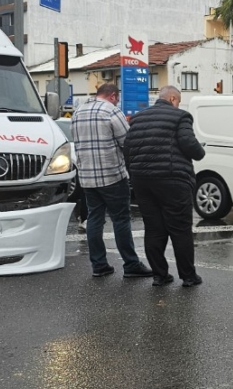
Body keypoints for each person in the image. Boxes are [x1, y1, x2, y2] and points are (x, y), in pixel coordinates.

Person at [124, 86, 206, 287]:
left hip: (142, 181)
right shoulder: (180, 116)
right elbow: (189, 144)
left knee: (153, 228)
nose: (178, 105)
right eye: (178, 101)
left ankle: (160, 275)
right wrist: (200, 152)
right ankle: (188, 276)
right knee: (180, 229)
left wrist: (134, 173)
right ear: (172, 98)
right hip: (172, 179)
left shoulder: (137, 119)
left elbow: (127, 149)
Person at [70, 83, 153, 279]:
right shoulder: (111, 111)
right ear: (113, 96)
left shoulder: (78, 112)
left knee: (94, 219)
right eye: (117, 99)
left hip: (87, 177)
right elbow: (127, 142)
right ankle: (131, 264)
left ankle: (99, 265)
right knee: (121, 219)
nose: (117, 102)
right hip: (112, 176)